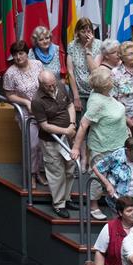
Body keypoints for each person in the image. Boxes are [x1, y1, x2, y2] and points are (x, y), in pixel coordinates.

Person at [70, 68, 129, 220]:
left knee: (116, 176)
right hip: (103, 146)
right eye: (110, 77)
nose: (113, 77)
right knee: (98, 177)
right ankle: (93, 205)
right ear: (104, 84)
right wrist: (76, 148)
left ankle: (117, 204)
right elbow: (83, 125)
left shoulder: (104, 93)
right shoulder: (97, 101)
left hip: (118, 144)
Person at [31, 69, 78, 218]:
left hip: (67, 137)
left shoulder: (61, 86)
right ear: (41, 85)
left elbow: (70, 105)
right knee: (56, 172)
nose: (52, 88)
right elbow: (44, 126)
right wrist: (66, 131)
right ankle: (58, 204)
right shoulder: (37, 100)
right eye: (48, 86)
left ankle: (67, 198)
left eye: (53, 84)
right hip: (51, 141)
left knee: (70, 169)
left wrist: (71, 123)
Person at [3, 40, 46, 189]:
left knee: (42, 144)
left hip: (42, 111)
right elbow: (9, 95)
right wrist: (26, 102)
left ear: (27, 53)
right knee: (32, 145)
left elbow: (44, 84)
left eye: (21, 53)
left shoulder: (37, 65)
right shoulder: (10, 73)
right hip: (26, 114)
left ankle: (39, 172)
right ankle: (31, 175)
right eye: (15, 54)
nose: (18, 57)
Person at [93, 136, 133, 206]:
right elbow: (96, 168)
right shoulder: (117, 157)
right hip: (119, 200)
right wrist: (107, 184)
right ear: (127, 150)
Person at [66, 17, 102, 112]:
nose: (86, 35)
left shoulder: (99, 44)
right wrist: (76, 96)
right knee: (80, 123)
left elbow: (95, 71)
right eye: (83, 31)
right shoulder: (72, 45)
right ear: (77, 32)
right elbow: (70, 72)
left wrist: (88, 49)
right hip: (78, 92)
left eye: (89, 31)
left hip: (95, 92)